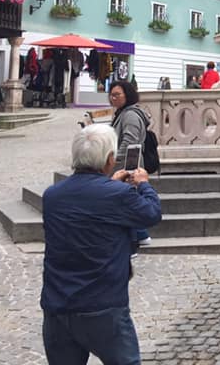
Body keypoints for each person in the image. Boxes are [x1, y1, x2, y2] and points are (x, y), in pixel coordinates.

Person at [40, 124, 162, 364]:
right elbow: (151, 214)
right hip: (103, 305)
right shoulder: (117, 195)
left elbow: (88, 204)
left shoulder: (52, 196)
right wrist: (144, 184)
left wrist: (111, 182)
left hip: (57, 305)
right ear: (110, 159)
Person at [109, 80, 151, 246]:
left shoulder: (130, 115)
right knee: (129, 202)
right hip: (127, 165)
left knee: (127, 202)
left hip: (127, 166)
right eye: (111, 95)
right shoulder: (123, 113)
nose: (113, 98)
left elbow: (130, 141)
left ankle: (136, 237)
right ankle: (140, 234)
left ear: (128, 95)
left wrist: (114, 161)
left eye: (117, 95)